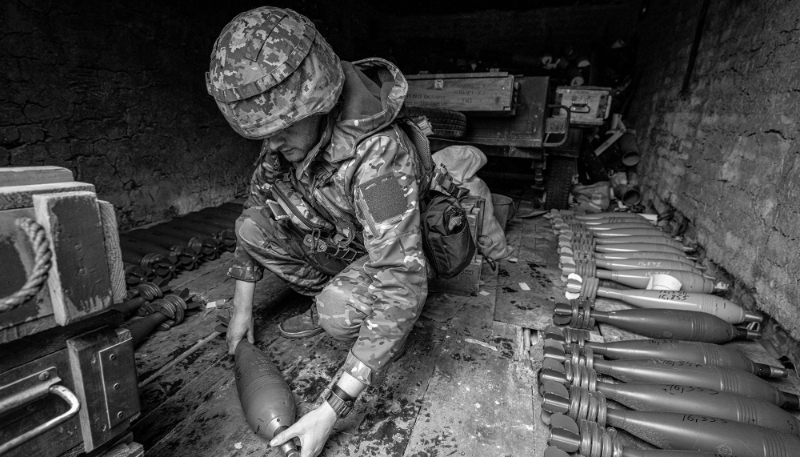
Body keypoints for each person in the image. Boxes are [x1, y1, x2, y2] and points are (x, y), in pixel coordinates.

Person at [206, 7, 432, 456]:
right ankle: (336, 291)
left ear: (319, 101)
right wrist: (241, 311)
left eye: (281, 129)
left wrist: (331, 408)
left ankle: (372, 328)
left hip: (390, 251)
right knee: (251, 227)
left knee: (337, 313)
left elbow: (402, 277)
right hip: (342, 240)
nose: (271, 144)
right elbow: (257, 202)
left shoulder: (378, 158)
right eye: (263, 134)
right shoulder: (286, 139)